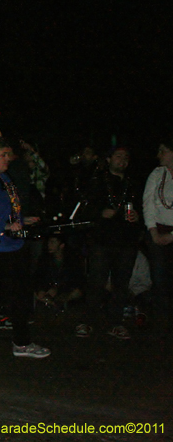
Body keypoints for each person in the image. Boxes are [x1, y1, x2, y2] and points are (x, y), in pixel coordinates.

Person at [0, 135, 50, 359]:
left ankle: (21, 342)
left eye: (8, 154)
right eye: (3, 155)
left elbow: (8, 210)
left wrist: (23, 220)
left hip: (14, 244)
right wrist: (4, 225)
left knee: (17, 294)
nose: (8, 159)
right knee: (1, 294)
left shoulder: (4, 178)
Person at [77, 146, 143, 340]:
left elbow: (143, 206)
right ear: (109, 159)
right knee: (96, 282)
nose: (122, 160)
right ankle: (88, 320)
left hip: (127, 241)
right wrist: (100, 213)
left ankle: (116, 322)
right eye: (118, 156)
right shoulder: (97, 181)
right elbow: (85, 209)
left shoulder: (133, 184)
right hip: (102, 241)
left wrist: (137, 216)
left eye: (125, 157)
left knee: (121, 284)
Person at [142, 138, 173, 334]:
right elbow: (148, 203)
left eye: (163, 151)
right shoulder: (157, 173)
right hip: (157, 231)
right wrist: (153, 231)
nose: (158, 155)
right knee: (160, 279)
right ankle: (162, 325)